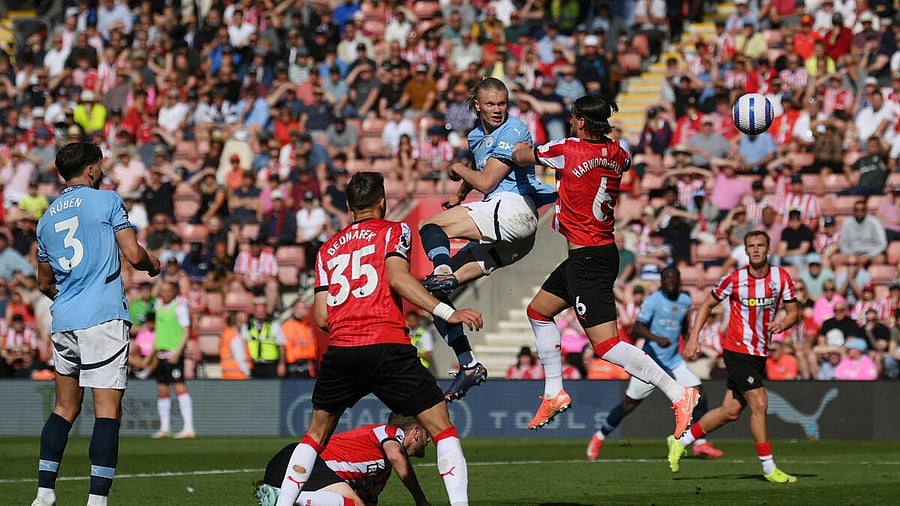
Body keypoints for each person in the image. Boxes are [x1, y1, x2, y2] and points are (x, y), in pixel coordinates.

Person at [272, 171, 482, 506]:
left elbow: (322, 317)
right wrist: (446, 311)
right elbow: (398, 278)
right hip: (386, 343)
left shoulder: (326, 250)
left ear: (348, 205)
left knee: (315, 436)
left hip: (342, 349)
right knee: (442, 428)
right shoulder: (394, 231)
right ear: (382, 202)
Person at [510, 95, 699, 437]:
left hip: (588, 258)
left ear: (581, 121)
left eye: (573, 117)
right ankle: (554, 392)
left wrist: (514, 145)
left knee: (606, 346)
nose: (570, 121)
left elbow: (520, 155)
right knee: (538, 311)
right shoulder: (618, 152)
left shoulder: (568, 148)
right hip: (596, 251)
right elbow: (621, 161)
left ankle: (677, 393)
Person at [32, 141, 161, 506]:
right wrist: (154, 264)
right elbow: (133, 255)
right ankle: (97, 501)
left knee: (64, 408)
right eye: (100, 166)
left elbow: (44, 283)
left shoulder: (46, 218)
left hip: (64, 320)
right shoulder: (106, 200)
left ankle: (44, 493)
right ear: (90, 169)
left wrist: (70, 300)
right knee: (107, 412)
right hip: (103, 317)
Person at [417, 77, 557, 401]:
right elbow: (479, 166)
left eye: (502, 103)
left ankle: (442, 271)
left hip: (512, 209)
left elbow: (487, 181)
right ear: (477, 106)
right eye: (491, 104)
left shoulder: (513, 129)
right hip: (517, 238)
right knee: (432, 298)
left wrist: (456, 168)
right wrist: (458, 194)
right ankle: (468, 365)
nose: (497, 109)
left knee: (428, 226)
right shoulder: (476, 136)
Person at [669, 230, 800, 484]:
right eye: (751, 246)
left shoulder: (781, 277)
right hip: (737, 350)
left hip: (759, 353)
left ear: (768, 248)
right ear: (746, 250)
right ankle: (769, 467)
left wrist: (782, 324)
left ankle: (680, 441)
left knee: (730, 412)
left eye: (760, 245)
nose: (756, 249)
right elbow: (706, 305)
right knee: (760, 404)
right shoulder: (734, 279)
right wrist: (694, 338)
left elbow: (794, 312)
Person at [586, 268, 723, 461]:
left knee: (700, 394)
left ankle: (700, 443)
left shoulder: (685, 300)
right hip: (651, 363)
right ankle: (599, 437)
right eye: (666, 278)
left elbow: (683, 323)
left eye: (674, 278)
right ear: (662, 281)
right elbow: (638, 327)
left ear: (679, 280)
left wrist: (688, 341)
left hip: (674, 361)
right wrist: (657, 339)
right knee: (630, 403)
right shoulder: (653, 301)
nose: (670, 281)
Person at [257, 413, 433, 506]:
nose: (429, 440)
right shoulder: (388, 432)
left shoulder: (381, 470)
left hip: (290, 471)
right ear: (416, 432)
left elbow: (367, 500)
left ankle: (284, 497)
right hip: (301, 461)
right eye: (427, 433)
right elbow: (395, 455)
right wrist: (420, 499)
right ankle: (285, 498)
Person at [152, 281, 196, 440]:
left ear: (175, 291)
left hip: (173, 353)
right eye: (162, 290)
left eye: (168, 290)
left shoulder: (180, 308)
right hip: (161, 353)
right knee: (162, 389)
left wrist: (177, 352)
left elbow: (186, 332)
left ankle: (188, 427)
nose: (164, 293)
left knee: (179, 387)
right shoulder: (158, 306)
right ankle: (165, 428)